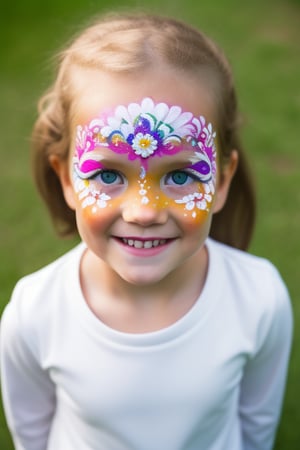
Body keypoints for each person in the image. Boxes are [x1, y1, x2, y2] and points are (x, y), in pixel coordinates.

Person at [0, 12, 293, 450]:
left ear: (221, 181)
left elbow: (257, 426)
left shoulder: (259, 298)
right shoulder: (35, 312)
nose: (143, 211)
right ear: (66, 179)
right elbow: (30, 434)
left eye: (178, 176)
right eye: (108, 174)